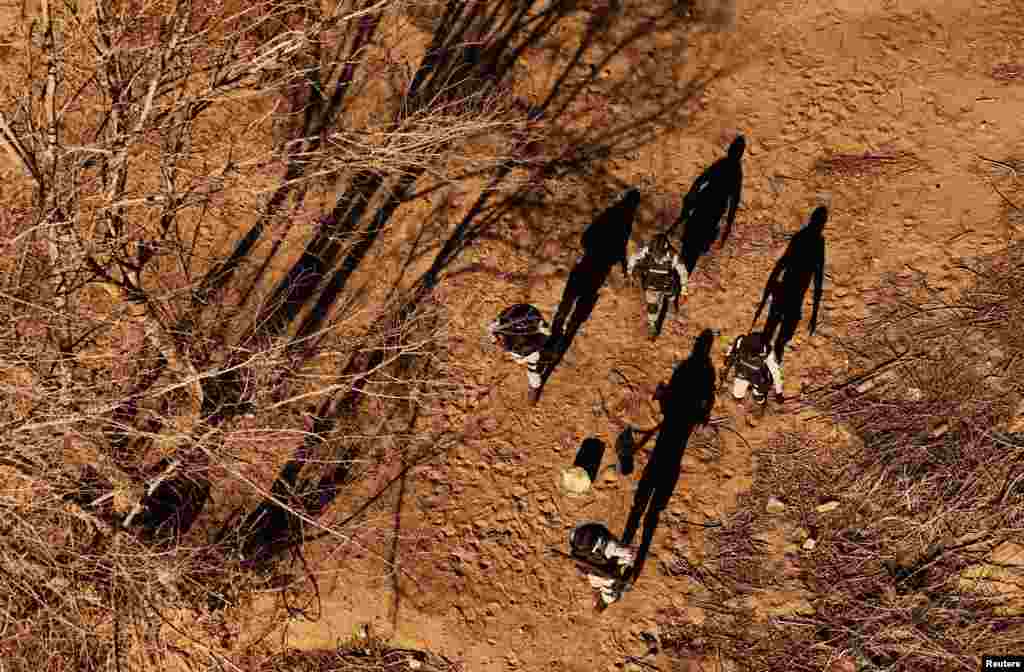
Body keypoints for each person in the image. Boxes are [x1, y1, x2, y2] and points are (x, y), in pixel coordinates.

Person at [753, 206, 827, 364]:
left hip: (783, 290)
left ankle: (760, 369)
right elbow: (818, 278)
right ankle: (770, 371)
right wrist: (814, 313)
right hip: (795, 296)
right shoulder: (818, 243)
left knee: (770, 332)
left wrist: (766, 294)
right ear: (822, 224)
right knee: (780, 340)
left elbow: (781, 263)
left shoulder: (800, 237)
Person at [675, 135, 745, 273]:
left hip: (702, 208)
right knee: (693, 253)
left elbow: (700, 181)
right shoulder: (736, 171)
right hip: (712, 215)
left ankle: (675, 279)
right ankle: (680, 281)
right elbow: (734, 202)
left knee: (687, 248)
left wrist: (689, 201)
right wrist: (727, 228)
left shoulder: (722, 164)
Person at [627, 233, 689, 339]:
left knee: (671, 294)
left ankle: (671, 303)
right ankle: (652, 326)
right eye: (655, 253)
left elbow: (683, 272)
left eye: (659, 254)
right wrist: (630, 272)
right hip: (652, 281)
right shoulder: (647, 250)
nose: (656, 257)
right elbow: (633, 258)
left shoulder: (673, 256)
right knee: (652, 305)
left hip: (667, 280)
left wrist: (684, 290)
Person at [488, 304, 551, 405]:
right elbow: (545, 334)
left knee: (533, 371)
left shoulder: (504, 330)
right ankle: (534, 389)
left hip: (530, 353)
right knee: (532, 369)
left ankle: (534, 390)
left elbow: (493, 331)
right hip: (528, 351)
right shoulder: (509, 336)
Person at [569, 522, 636, 608]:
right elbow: (629, 554)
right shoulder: (608, 543)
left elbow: (629, 555)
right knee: (599, 584)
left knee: (607, 594)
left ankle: (607, 594)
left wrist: (621, 565)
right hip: (600, 571)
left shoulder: (610, 548)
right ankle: (601, 591)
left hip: (605, 572)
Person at [722, 331, 783, 419]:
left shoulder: (767, 352)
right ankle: (739, 398)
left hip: (758, 376)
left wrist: (779, 391)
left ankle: (760, 404)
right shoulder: (741, 341)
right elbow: (732, 348)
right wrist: (728, 356)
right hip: (742, 372)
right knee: (737, 393)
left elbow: (776, 373)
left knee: (759, 394)